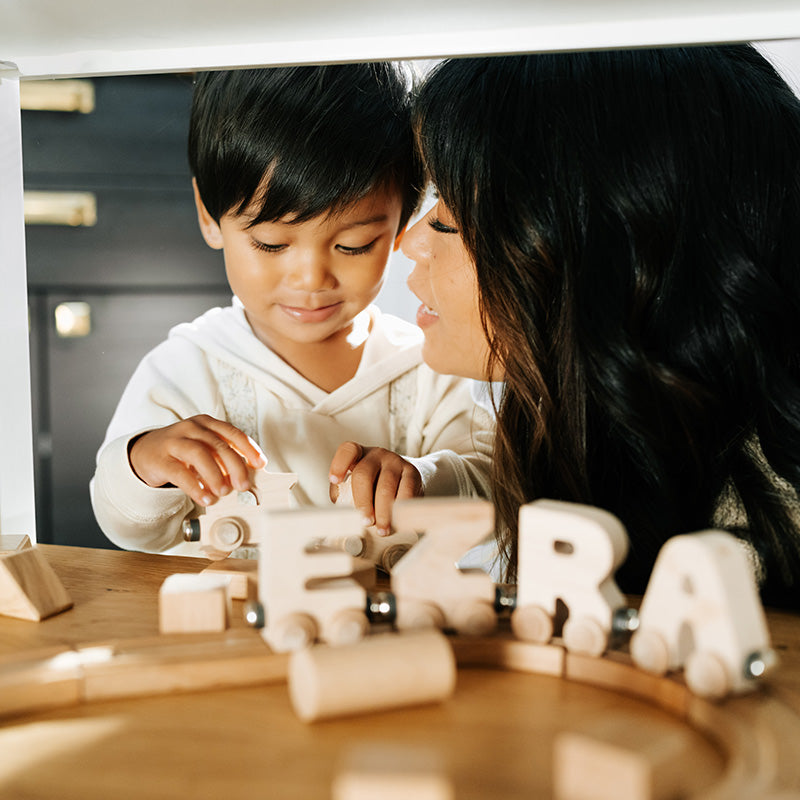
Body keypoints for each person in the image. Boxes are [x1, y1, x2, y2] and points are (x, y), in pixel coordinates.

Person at [401, 46, 800, 609]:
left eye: (447, 214)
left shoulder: (757, 540)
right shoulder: (579, 434)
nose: (409, 242)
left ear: (596, 248)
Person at [90, 63, 493, 556]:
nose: (310, 280)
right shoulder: (188, 365)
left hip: (383, 630)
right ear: (209, 215)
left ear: (403, 225)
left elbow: (492, 486)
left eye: (353, 246)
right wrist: (145, 466)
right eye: (272, 244)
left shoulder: (430, 364)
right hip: (231, 630)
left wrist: (423, 478)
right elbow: (126, 525)